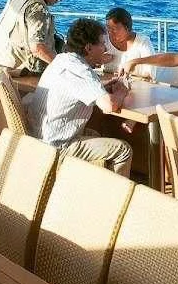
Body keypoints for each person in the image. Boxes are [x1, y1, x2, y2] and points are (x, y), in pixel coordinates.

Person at [28, 17, 134, 175]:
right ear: (89, 48)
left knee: (96, 135)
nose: (105, 48)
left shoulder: (60, 60)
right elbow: (109, 106)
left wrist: (103, 87)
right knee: (123, 150)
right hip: (57, 146)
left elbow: (75, 89)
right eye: (102, 43)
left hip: (36, 140)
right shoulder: (81, 70)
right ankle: (115, 196)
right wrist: (122, 91)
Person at [103, 7, 155, 75]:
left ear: (127, 28)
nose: (110, 32)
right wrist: (98, 60)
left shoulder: (143, 42)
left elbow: (150, 74)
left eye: (114, 29)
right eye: (108, 27)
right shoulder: (103, 40)